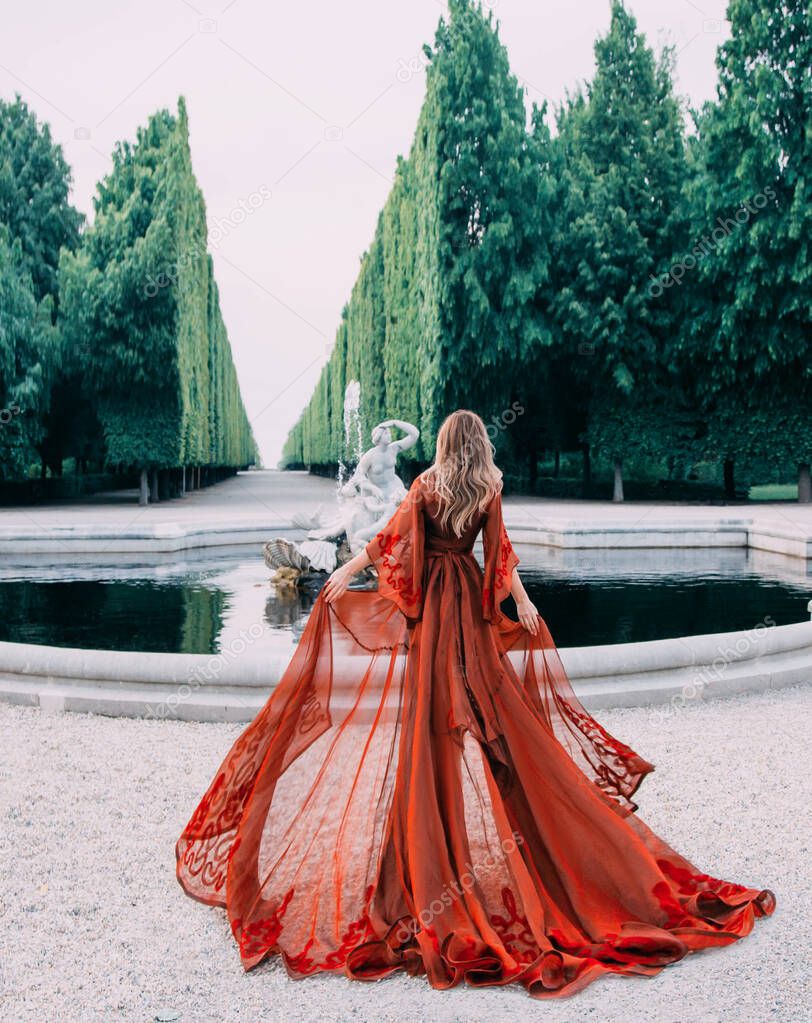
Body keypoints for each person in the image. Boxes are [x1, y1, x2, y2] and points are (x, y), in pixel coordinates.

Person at [176, 409, 774, 999]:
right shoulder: (488, 486)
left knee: (430, 727)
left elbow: (389, 542)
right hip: (466, 604)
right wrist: (523, 602)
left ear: (442, 443)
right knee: (495, 718)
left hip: (435, 614)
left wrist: (343, 573)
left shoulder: (425, 485)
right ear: (480, 444)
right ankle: (513, 824)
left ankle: (423, 857)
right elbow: (499, 556)